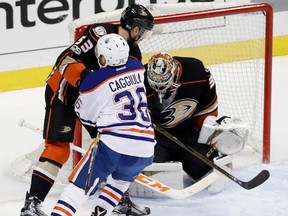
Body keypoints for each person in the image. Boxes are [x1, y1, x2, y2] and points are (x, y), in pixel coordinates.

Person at [20, 4, 154, 216]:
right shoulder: (99, 32)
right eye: (141, 29)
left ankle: (119, 199)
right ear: (132, 26)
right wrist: (86, 78)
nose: (143, 35)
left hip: (96, 98)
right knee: (58, 148)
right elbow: (64, 60)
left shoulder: (134, 50)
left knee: (113, 146)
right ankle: (32, 205)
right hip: (66, 93)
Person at [50, 33, 155, 216]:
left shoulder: (94, 80)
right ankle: (101, 212)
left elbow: (86, 117)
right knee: (119, 184)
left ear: (103, 57)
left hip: (114, 145)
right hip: (146, 147)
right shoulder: (137, 67)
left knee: (77, 191)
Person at [144, 52, 248, 192]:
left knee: (210, 170)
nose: (160, 91)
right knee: (149, 177)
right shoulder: (139, 80)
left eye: (163, 86)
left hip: (186, 133)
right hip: (155, 137)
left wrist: (209, 130)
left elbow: (207, 108)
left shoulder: (195, 72)